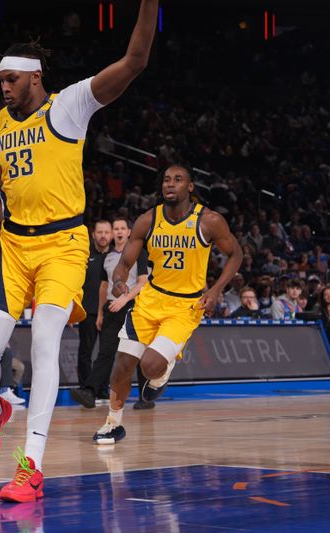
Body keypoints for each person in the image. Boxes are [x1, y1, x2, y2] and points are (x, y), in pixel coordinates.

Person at [0, 0, 159, 503]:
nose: (4, 88)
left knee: (44, 344)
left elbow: (134, 61)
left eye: (12, 79)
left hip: (63, 245)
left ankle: (30, 464)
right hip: (12, 246)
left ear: (35, 78)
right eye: (1, 80)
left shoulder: (69, 104)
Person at [93, 165, 243, 445]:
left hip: (185, 306)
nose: (170, 184)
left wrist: (216, 289)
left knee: (150, 366)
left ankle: (159, 377)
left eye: (178, 179)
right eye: (166, 180)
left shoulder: (209, 221)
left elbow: (236, 254)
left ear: (190, 187)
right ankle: (113, 424)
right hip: (151, 299)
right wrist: (118, 281)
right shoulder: (148, 220)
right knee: (123, 364)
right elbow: (124, 263)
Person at [70, 218, 149, 409]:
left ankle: (146, 398)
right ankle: (89, 391)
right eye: (116, 228)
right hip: (111, 309)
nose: (119, 232)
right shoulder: (108, 257)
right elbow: (104, 287)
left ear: (129, 232)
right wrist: (99, 313)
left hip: (133, 307)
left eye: (123, 228)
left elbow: (143, 282)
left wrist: (124, 299)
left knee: (137, 354)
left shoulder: (140, 253)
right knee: (105, 352)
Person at [76, 220, 112, 388]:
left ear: (111, 235)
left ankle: (102, 389)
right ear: (93, 234)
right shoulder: (83, 254)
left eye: (106, 232)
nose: (103, 236)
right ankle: (85, 388)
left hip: (110, 311)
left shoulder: (117, 257)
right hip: (87, 311)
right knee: (85, 352)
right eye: (100, 232)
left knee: (106, 353)